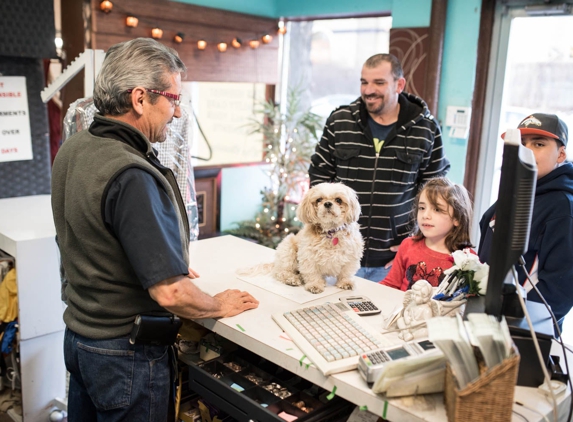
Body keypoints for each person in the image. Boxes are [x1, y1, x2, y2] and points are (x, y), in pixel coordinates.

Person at [51, 38, 259, 422]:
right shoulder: (130, 173)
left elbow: (94, 239)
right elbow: (171, 293)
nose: (177, 114)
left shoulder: (76, 148)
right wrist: (216, 304)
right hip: (124, 354)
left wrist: (162, 260)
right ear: (141, 98)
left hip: (80, 341)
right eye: (173, 99)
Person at [308, 53, 450, 282]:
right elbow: (319, 176)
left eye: (379, 83)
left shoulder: (425, 127)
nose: (368, 90)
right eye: (364, 82)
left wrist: (415, 245)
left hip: (391, 258)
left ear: (399, 85)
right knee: (329, 316)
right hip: (335, 255)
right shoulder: (339, 121)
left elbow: (435, 191)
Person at [479, 113, 573, 332]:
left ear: (561, 154)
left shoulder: (563, 208)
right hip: (491, 318)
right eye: (522, 143)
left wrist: (516, 326)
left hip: (524, 332)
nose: (527, 150)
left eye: (539, 144)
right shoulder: (517, 191)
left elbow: (560, 291)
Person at [380, 177, 473, 291]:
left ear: (457, 218)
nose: (425, 215)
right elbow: (390, 284)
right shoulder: (408, 245)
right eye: (422, 208)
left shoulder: (468, 259)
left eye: (437, 209)